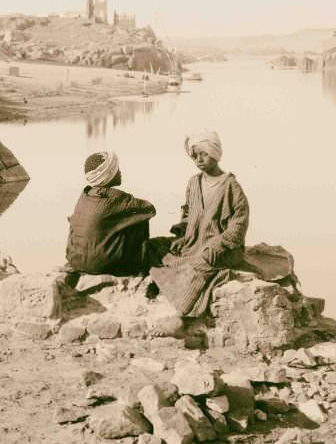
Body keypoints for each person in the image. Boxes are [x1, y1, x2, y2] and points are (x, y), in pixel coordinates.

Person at [149, 130, 250, 317]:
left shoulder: (231, 187)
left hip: (221, 250)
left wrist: (215, 246)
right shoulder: (194, 183)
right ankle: (166, 281)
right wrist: (182, 235)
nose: (199, 160)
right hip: (193, 243)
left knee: (200, 264)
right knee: (154, 246)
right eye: (195, 156)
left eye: (204, 154)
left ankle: (182, 310)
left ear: (215, 153)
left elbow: (238, 227)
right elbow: (188, 214)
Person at [65, 151, 156, 279]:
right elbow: (150, 209)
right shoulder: (116, 197)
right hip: (101, 266)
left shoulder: (85, 195)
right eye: (116, 169)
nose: (120, 172)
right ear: (109, 175)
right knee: (139, 218)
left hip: (75, 261)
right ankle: (138, 267)